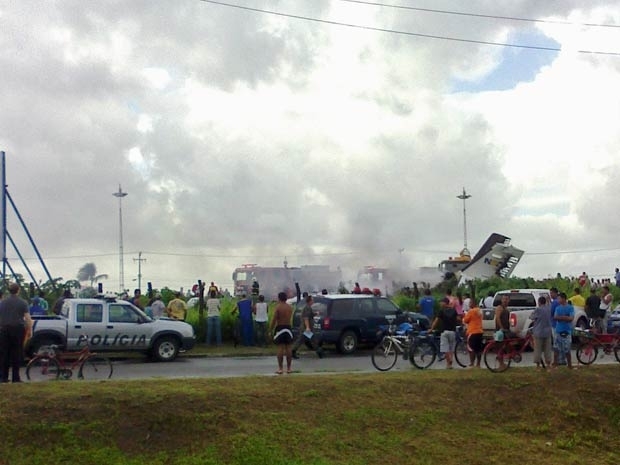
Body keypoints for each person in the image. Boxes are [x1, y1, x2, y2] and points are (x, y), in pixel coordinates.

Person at [0, 283, 32, 383]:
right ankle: (15, 377)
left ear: (9, 291)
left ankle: (3, 377)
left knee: (4, 353)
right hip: (18, 329)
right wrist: (29, 330)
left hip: (4, 329)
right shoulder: (22, 303)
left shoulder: (2, 302)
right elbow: (27, 318)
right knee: (16, 353)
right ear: (18, 290)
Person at [429, 297, 458, 369]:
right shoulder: (454, 310)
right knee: (451, 348)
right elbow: (458, 319)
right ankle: (450, 363)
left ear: (445, 303)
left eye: (441, 302)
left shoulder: (441, 311)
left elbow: (436, 321)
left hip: (444, 332)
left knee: (445, 349)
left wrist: (431, 329)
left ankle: (448, 364)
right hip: (452, 332)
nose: (440, 304)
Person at [291, 295, 324, 359]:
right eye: (312, 300)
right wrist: (308, 327)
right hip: (306, 328)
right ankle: (319, 352)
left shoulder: (308, 307)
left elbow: (310, 315)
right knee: (312, 340)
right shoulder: (307, 308)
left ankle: (293, 351)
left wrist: (315, 314)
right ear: (309, 301)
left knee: (303, 340)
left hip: (306, 328)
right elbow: (306, 318)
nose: (313, 301)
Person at [269, 291, 294, 374]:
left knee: (280, 348)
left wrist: (271, 329)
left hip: (280, 327)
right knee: (288, 348)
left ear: (279, 298)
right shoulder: (290, 307)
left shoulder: (278, 307)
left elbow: (274, 319)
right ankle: (289, 368)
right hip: (288, 327)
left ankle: (280, 368)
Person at [552, 292, 575, 369]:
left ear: (563, 299)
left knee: (567, 349)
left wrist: (560, 317)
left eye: (559, 298)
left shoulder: (570, 307)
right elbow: (555, 317)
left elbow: (571, 318)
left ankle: (569, 365)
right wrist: (566, 317)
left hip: (567, 330)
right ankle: (555, 363)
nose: (558, 300)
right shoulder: (557, 308)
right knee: (556, 348)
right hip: (558, 330)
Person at [529, 296, 552, 369]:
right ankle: (548, 365)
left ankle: (538, 366)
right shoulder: (549, 309)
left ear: (539, 302)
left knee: (538, 349)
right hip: (548, 332)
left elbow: (531, 317)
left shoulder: (538, 310)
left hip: (538, 332)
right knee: (547, 349)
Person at [462, 298, 483, 368]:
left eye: (470, 303)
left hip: (472, 332)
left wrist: (464, 316)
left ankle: (472, 363)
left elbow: (465, 320)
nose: (469, 304)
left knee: (471, 349)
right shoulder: (479, 310)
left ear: (474, 303)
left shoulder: (471, 311)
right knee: (479, 349)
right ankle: (478, 364)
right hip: (480, 331)